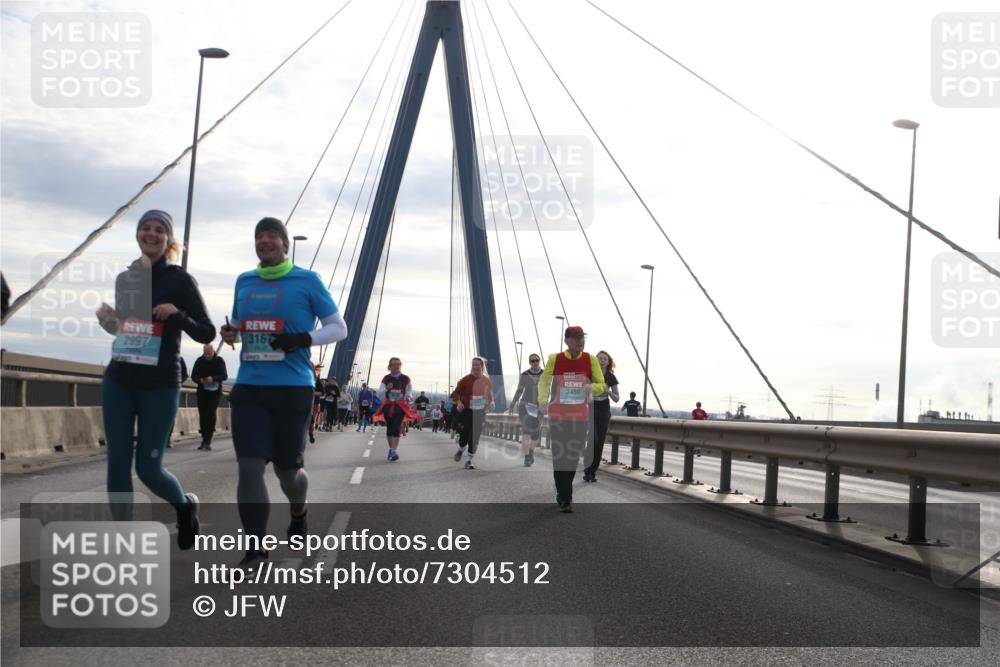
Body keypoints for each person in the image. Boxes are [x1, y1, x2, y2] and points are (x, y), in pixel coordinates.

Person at [219, 216, 348, 569]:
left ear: (285, 244)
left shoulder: (307, 281)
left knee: (288, 472)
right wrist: (232, 333)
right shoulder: (244, 281)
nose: (264, 242)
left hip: (292, 390)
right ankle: (256, 550)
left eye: (272, 237)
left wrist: (302, 338)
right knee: (249, 468)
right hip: (250, 387)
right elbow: (241, 326)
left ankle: (299, 512)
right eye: (259, 237)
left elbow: (339, 328)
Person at [95, 209, 213, 548]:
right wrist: (108, 322)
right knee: (117, 462)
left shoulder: (180, 281)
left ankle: (184, 506)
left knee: (148, 469)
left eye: (159, 229)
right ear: (137, 234)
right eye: (145, 228)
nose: (151, 233)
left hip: (160, 384)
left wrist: (178, 315)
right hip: (119, 378)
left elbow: (206, 330)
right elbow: (128, 331)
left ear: (168, 239)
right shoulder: (125, 279)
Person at [537, 326, 605, 513]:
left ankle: (563, 490)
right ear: (566, 340)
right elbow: (544, 380)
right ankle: (565, 496)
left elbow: (602, 384)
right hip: (558, 414)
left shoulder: (590, 359)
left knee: (573, 455)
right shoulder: (555, 359)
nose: (580, 342)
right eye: (576, 338)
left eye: (582, 338)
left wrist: (592, 388)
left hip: (580, 415)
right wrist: (542, 400)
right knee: (560, 455)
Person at [450, 357, 495, 470]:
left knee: (475, 437)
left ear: (481, 366)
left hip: (480, 411)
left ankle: (469, 460)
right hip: (466, 411)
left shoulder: (486, 380)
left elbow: (489, 394)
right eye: (473, 364)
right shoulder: (465, 380)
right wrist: (459, 403)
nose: (475, 367)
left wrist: (492, 402)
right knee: (464, 435)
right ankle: (461, 449)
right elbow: (455, 394)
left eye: (477, 365)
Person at [583, 350, 619, 482]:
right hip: (591, 409)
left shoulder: (611, 377)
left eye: (605, 359)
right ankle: (587, 469)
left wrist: (608, 391)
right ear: (595, 360)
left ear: (608, 362)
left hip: (604, 411)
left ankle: (592, 472)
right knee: (593, 440)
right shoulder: (590, 375)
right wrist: (589, 395)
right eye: (600, 358)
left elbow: (617, 398)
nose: (602, 360)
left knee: (599, 444)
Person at [375, 357, 413, 461]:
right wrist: (387, 388)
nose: (397, 366)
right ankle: (391, 449)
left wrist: (409, 397)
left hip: (400, 406)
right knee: (390, 428)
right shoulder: (386, 378)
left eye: (398, 364)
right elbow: (380, 394)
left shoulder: (406, 378)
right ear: (390, 366)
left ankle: (393, 451)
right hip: (388, 405)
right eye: (394, 364)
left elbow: (410, 391)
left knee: (396, 427)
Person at [191, 343, 228, 450]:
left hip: (215, 392)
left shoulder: (219, 361)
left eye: (209, 353)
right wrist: (200, 380)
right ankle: (203, 439)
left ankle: (208, 439)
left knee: (210, 413)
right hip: (202, 391)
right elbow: (193, 376)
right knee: (202, 414)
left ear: (213, 351)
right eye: (205, 353)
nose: (207, 355)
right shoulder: (199, 360)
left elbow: (224, 376)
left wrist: (213, 378)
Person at [509, 353, 543, 467]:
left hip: (538, 407)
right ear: (530, 362)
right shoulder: (525, 374)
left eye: (536, 360)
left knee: (535, 433)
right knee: (526, 432)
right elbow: (519, 390)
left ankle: (531, 451)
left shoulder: (544, 374)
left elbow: (549, 389)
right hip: (525, 406)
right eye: (532, 361)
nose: (535, 363)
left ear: (539, 361)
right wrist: (512, 404)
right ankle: (526, 457)